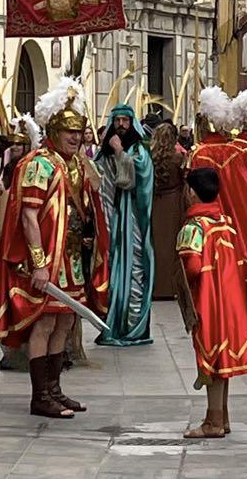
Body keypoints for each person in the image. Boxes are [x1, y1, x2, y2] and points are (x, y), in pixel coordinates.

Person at [0, 77, 110, 418]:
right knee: (42, 324)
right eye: (67, 130)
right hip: (44, 261)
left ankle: (55, 389)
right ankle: (40, 395)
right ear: (52, 130)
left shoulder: (74, 164)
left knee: (65, 323)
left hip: (69, 258)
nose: (74, 136)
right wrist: (39, 263)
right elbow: (28, 217)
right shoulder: (38, 163)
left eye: (78, 130)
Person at [177, 166, 247, 440]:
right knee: (222, 361)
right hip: (229, 300)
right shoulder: (224, 221)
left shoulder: (194, 226)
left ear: (191, 192)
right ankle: (220, 417)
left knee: (210, 361)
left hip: (207, 301)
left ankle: (212, 423)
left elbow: (191, 266)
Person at [191, 87, 247, 302]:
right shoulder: (235, 151)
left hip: (208, 215)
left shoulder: (199, 152)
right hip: (238, 215)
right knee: (243, 258)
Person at [95, 104, 155, 346]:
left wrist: (121, 153)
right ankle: (113, 323)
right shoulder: (104, 153)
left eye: (125, 121)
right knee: (111, 269)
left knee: (135, 266)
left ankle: (133, 325)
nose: (121, 125)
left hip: (133, 220)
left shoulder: (139, 150)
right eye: (117, 120)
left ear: (132, 124)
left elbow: (138, 177)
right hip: (112, 219)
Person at [0, 114, 39, 372]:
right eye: (12, 145)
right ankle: (12, 350)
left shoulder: (31, 167)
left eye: (19, 145)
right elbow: (4, 190)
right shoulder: (9, 167)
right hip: (5, 231)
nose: (15, 149)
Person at [150, 121, 187, 300]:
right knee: (173, 245)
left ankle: (156, 286)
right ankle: (171, 286)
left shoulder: (150, 156)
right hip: (174, 202)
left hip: (155, 203)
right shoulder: (178, 157)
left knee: (156, 245)